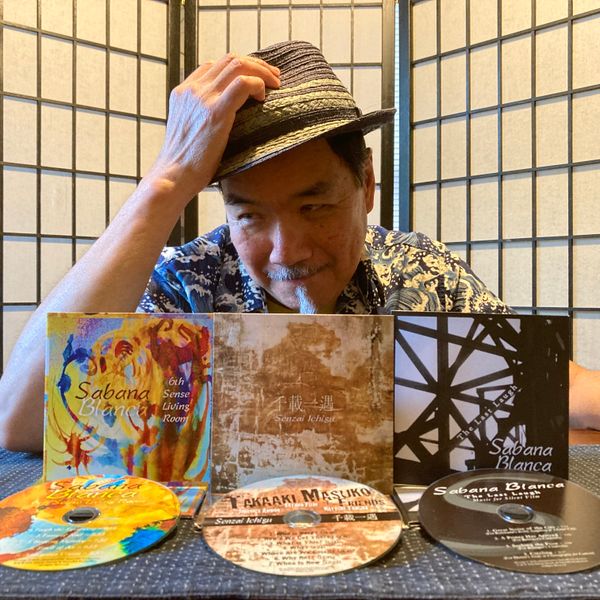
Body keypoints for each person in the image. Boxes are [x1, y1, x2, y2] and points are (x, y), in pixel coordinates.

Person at [0, 41, 598, 452]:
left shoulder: (419, 269)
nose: (286, 251)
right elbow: (24, 420)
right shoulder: (186, 284)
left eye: (315, 207)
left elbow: (552, 385)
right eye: (250, 216)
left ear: (367, 185)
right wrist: (166, 182)